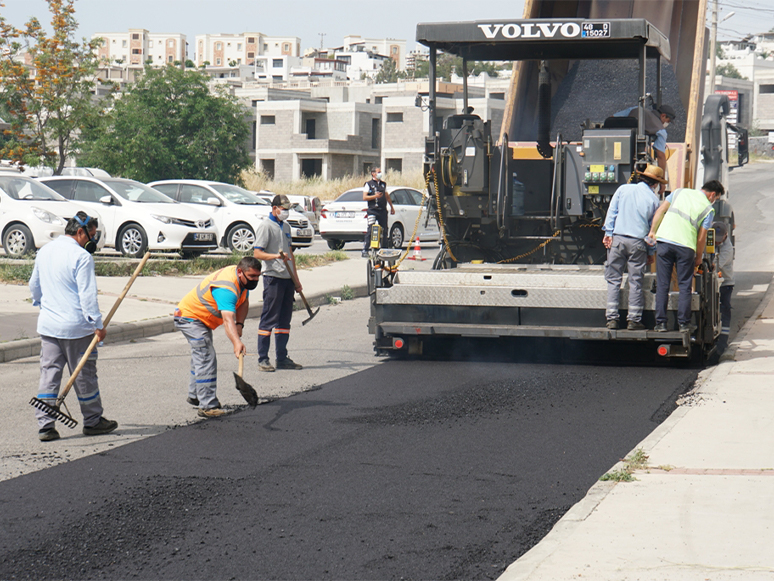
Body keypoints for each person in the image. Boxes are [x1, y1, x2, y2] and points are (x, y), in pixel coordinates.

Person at [29, 212, 117, 441]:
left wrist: (44, 306)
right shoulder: (81, 257)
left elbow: (34, 286)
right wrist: (98, 326)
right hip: (76, 329)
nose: (93, 240)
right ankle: (93, 421)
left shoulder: (45, 251)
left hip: (48, 327)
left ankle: (45, 425)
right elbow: (88, 297)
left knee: (49, 374)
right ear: (80, 232)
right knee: (84, 375)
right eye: (93, 235)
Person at [175, 257, 262, 417]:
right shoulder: (226, 288)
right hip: (190, 318)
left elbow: (243, 302)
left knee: (200, 356)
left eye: (258, 276)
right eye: (252, 277)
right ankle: (207, 406)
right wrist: (237, 342)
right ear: (240, 272)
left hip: (201, 319)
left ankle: (195, 396)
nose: (255, 280)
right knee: (206, 356)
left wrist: (240, 325)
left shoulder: (241, 280)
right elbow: (228, 319)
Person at [648, 180, 725, 332]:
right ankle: (684, 324)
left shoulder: (678, 192)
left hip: (665, 241)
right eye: (716, 198)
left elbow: (660, 211)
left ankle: (661, 323)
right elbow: (702, 237)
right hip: (685, 246)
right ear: (712, 195)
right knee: (684, 285)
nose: (714, 201)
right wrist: (698, 257)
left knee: (663, 284)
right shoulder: (708, 209)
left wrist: (652, 231)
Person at [602, 164, 664, 330]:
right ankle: (633, 320)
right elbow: (653, 228)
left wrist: (608, 233)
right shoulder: (654, 200)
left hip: (618, 239)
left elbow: (612, 212)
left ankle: (612, 318)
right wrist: (651, 251)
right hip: (638, 243)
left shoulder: (623, 189)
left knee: (613, 279)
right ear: (655, 184)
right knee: (636, 281)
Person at [253, 194, 303, 372]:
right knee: (269, 318)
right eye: (283, 209)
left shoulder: (287, 226)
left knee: (284, 321)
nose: (286, 212)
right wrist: (275, 256)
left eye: (288, 209)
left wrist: (296, 280)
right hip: (273, 277)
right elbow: (257, 254)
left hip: (287, 278)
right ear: (274, 208)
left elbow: (290, 254)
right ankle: (263, 358)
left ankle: (282, 358)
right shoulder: (265, 226)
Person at [615, 104, 676, 195]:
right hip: (631, 163)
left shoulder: (635, 109)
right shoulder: (660, 131)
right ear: (663, 116)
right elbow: (660, 156)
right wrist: (662, 180)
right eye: (668, 121)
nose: (667, 124)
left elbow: (613, 118)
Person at [362, 166, 395, 257]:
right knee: (370, 228)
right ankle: (365, 249)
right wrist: (375, 196)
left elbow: (387, 195)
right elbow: (364, 197)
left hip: (382, 210)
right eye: (378, 172)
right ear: (373, 173)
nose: (380, 173)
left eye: (380, 172)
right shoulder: (368, 184)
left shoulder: (383, 184)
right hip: (373, 210)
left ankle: (383, 249)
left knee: (384, 230)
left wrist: (391, 207)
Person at [713, 221, 734, 354]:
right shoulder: (710, 238)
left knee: (724, 310)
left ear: (726, 235)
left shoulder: (727, 248)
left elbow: (716, 265)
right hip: (713, 282)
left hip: (725, 283)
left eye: (720, 240)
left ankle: (723, 342)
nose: (717, 243)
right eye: (715, 240)